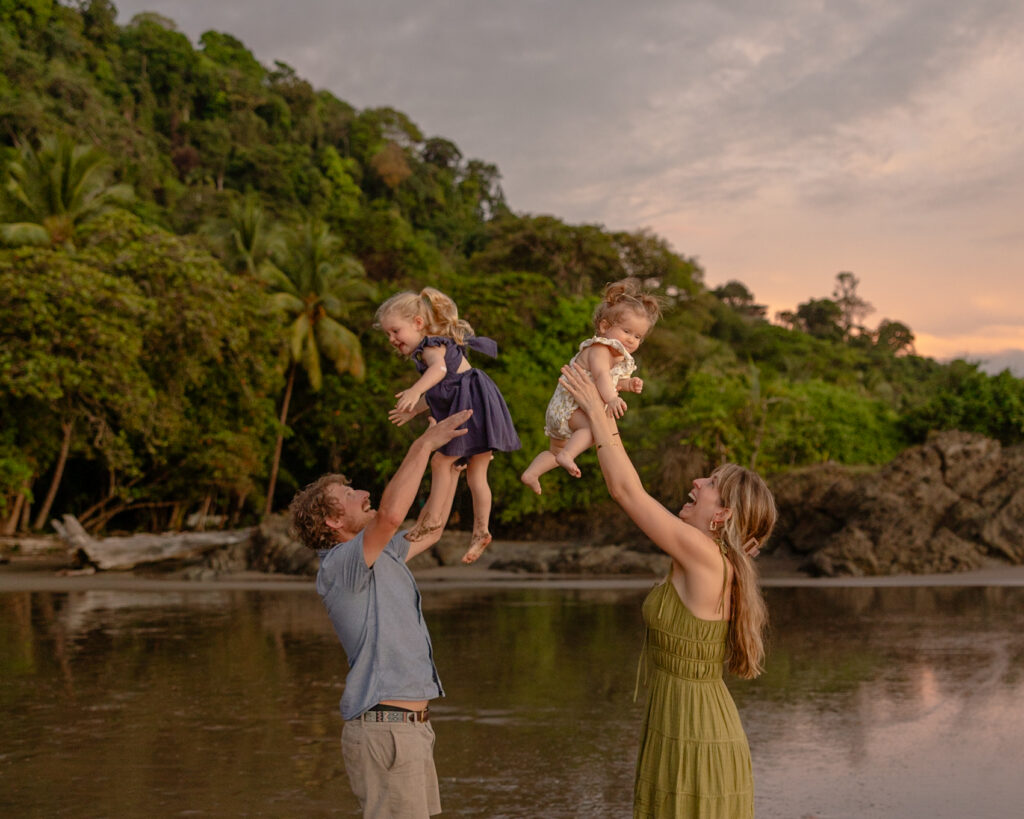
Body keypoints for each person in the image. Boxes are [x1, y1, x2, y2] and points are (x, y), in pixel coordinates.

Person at [558, 363, 776, 819]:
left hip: (697, 734)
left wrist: (599, 412)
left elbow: (626, 492)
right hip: (680, 725)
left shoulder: (705, 557)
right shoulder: (707, 558)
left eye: (711, 485)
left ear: (722, 517)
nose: (697, 483)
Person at [288, 410, 473, 819]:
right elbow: (390, 516)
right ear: (334, 521)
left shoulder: (381, 554)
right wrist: (422, 444)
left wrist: (447, 468)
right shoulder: (340, 564)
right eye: (348, 493)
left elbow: (433, 528)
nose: (361, 493)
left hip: (410, 729)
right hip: (386, 729)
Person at [375, 287, 521, 563]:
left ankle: (431, 521)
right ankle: (481, 530)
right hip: (478, 403)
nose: (392, 339)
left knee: (441, 463)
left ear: (418, 323)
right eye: (387, 334)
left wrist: (415, 391)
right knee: (476, 476)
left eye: (395, 331)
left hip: (472, 406)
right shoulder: (436, 345)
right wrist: (415, 409)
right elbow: (444, 391)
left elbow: (439, 373)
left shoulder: (431, 345)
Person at [520, 277, 662, 494]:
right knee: (593, 429)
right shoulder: (600, 349)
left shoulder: (613, 356)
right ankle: (569, 455)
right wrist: (612, 399)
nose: (632, 340)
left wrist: (627, 384)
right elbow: (602, 377)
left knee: (555, 451)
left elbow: (610, 380)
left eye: (637, 336)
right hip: (569, 408)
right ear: (604, 326)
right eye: (626, 331)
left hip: (564, 409)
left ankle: (532, 473)